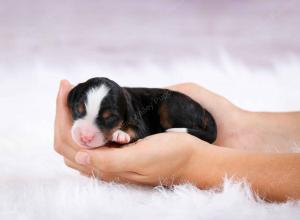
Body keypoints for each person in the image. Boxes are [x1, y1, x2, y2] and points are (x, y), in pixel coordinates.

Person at [54, 80, 300, 202]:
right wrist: (238, 127)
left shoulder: (130, 110)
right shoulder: (120, 103)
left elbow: (137, 128)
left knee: (167, 109)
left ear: (124, 113)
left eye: (106, 120)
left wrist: (193, 163)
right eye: (79, 111)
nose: (86, 132)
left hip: (182, 113)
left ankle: (193, 130)